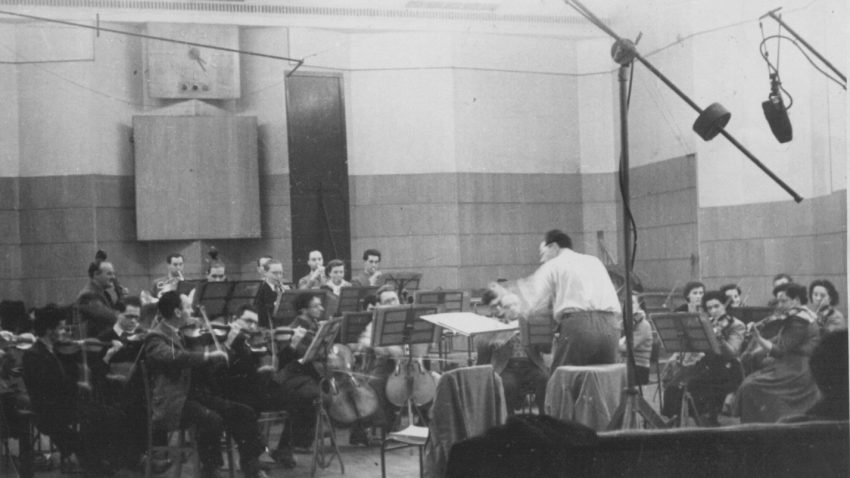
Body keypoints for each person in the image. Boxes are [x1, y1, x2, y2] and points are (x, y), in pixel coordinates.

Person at [144, 291, 266, 478]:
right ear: (177, 312)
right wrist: (207, 355)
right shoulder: (155, 337)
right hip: (174, 402)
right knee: (212, 420)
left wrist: (226, 347)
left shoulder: (187, 332)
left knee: (244, 412)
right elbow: (173, 357)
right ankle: (210, 469)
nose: (192, 310)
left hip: (197, 395)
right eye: (187, 307)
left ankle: (251, 468)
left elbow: (209, 365)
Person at [495, 230, 621, 369]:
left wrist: (502, 298)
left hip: (580, 328)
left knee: (562, 381)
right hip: (611, 327)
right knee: (605, 381)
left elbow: (530, 298)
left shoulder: (554, 264)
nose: (542, 260)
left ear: (553, 247)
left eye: (543, 254)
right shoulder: (594, 261)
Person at [733, 283, 820, 423]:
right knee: (751, 379)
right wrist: (756, 348)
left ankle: (756, 426)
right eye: (778, 301)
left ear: (796, 300)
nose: (779, 305)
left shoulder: (799, 321)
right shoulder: (800, 316)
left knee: (750, 386)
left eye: (783, 301)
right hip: (791, 364)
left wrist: (758, 338)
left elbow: (779, 351)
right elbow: (780, 339)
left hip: (797, 370)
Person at [662, 291, 746, 426]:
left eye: (717, 306)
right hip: (706, 365)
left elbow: (733, 353)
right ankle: (677, 419)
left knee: (693, 386)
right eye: (709, 308)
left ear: (725, 306)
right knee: (674, 384)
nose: (713, 311)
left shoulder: (737, 325)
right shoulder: (707, 323)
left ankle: (703, 421)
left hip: (728, 369)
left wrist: (720, 339)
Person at [476, 289, 548, 414]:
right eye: (509, 306)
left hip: (531, 365)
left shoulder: (528, 322)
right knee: (508, 385)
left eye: (516, 305)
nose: (514, 309)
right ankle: (509, 420)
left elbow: (545, 349)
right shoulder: (496, 324)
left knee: (544, 379)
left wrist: (538, 337)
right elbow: (482, 347)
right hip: (507, 367)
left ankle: (545, 417)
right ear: (502, 309)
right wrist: (494, 339)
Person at [77, 257, 119, 337]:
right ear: (96, 274)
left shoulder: (104, 293)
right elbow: (110, 317)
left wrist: (121, 298)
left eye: (114, 274)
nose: (113, 277)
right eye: (109, 274)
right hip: (97, 345)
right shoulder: (88, 295)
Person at [619, 294, 653, 386]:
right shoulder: (626, 322)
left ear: (639, 305)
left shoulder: (643, 325)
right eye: (625, 303)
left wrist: (610, 344)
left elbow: (628, 348)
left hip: (638, 367)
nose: (627, 306)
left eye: (632, 303)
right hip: (626, 365)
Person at [253, 259, 289, 328]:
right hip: (268, 328)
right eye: (275, 273)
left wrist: (287, 294)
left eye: (281, 273)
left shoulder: (284, 289)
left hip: (284, 327)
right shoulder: (259, 290)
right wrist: (276, 304)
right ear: (265, 273)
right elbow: (260, 313)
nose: (278, 276)